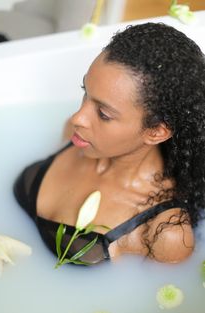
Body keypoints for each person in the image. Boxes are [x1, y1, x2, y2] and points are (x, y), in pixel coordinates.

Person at [14, 22, 205, 265]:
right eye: (85, 91)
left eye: (103, 114)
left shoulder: (163, 234)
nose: (77, 118)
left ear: (156, 131)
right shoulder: (77, 134)